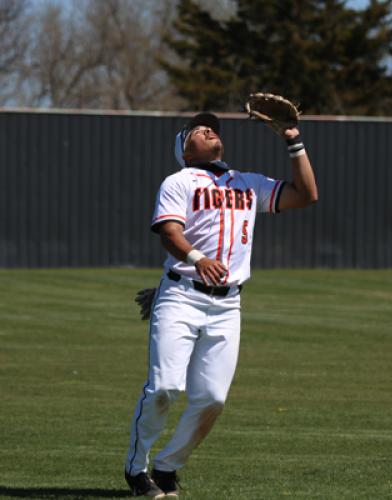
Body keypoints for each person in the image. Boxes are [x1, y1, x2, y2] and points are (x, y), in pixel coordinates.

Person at [124, 112, 318, 498]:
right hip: (181, 294)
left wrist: (293, 140)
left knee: (212, 398)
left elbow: (305, 194)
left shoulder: (247, 183)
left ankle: (167, 467)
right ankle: (136, 467)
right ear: (184, 148)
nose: (210, 129)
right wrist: (197, 257)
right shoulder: (179, 181)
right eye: (199, 129)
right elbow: (168, 231)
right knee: (164, 388)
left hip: (228, 305)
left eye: (212, 127)